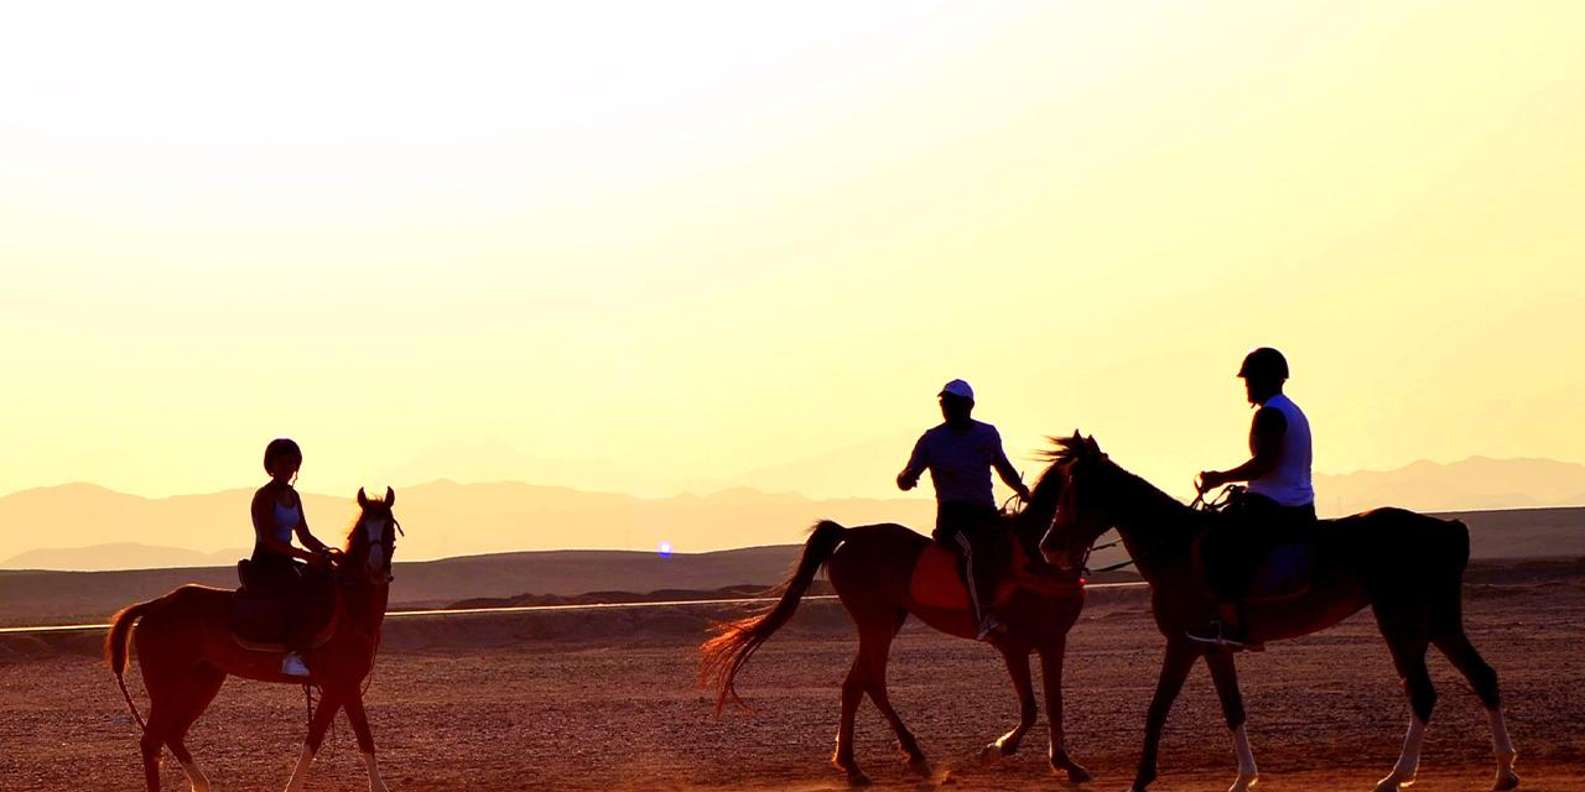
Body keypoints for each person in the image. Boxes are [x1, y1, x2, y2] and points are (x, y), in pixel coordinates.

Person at [1192, 347, 1317, 650]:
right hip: (1293, 503)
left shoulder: (1270, 415)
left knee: (1214, 545)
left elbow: (1264, 464)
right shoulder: (1292, 410)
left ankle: (1232, 625)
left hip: (1277, 507)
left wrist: (1220, 477)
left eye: (1249, 380)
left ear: (1264, 379)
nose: (1246, 387)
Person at [897, 379, 1031, 640]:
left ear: (968, 406)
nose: (946, 408)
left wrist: (1023, 491)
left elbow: (1003, 467)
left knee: (1019, 545)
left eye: (952, 403)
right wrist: (906, 479)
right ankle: (984, 617)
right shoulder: (931, 440)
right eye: (944, 403)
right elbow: (910, 472)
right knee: (973, 550)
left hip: (986, 514)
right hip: (953, 518)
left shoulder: (987, 434)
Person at [249, 438, 338, 678]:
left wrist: (328, 552)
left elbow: (305, 535)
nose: (288, 468)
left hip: (287, 559)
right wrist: (306, 556)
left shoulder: (294, 496)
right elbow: (268, 539)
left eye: (292, 463)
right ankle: (293, 654)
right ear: (272, 465)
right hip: (267, 562)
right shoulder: (264, 497)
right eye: (283, 463)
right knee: (299, 590)